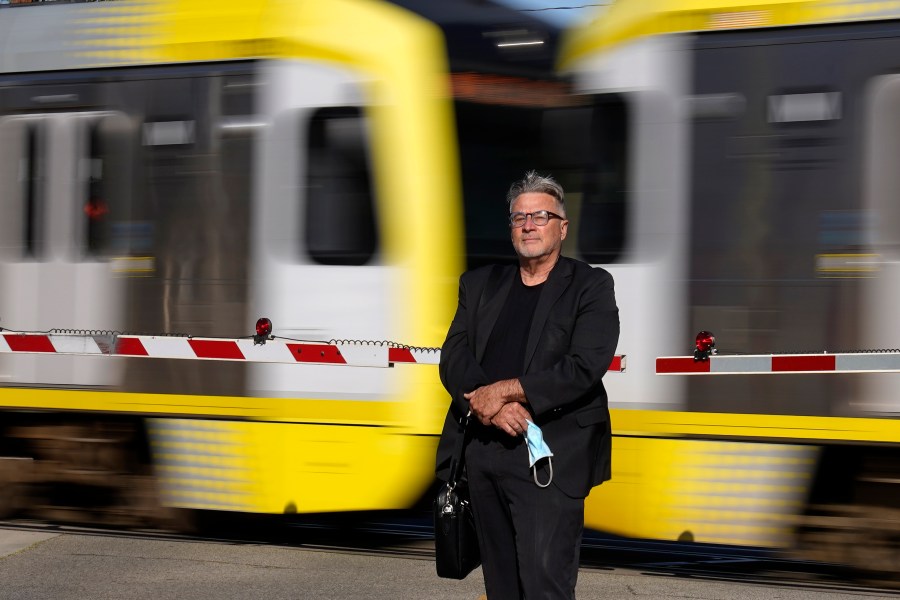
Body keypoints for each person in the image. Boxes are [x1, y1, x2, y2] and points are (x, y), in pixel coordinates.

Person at [436, 171, 619, 599]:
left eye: (540, 215)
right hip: (483, 454)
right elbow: (454, 358)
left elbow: (584, 365)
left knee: (543, 585)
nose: (529, 224)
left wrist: (504, 391)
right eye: (519, 217)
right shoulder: (479, 285)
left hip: (548, 459)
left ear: (562, 226)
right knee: (501, 588)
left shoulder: (590, 286)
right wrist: (489, 405)